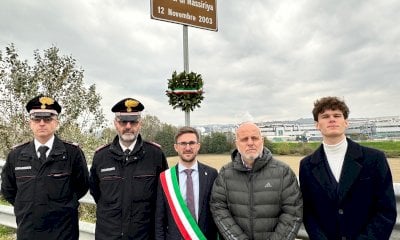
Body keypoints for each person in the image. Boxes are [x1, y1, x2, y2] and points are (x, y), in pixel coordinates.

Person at [299, 96, 397, 240]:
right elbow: (308, 212)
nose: (332, 119)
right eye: (325, 116)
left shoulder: (375, 159)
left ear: (346, 122)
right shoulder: (307, 165)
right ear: (317, 125)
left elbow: (386, 210)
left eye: (337, 115)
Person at [1, 95, 89, 240]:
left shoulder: (72, 153)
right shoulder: (16, 155)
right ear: (30, 123)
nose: (42, 123)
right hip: (29, 231)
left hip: (63, 231)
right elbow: (9, 190)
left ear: (56, 123)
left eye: (48, 119)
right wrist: (27, 207)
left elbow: (82, 186)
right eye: (37, 119)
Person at [89, 97, 168, 240]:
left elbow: (162, 196)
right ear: (115, 124)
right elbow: (96, 192)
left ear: (140, 124)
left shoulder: (155, 155)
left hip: (143, 235)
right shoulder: (101, 156)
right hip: (108, 235)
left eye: (133, 121)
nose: (128, 126)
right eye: (123, 121)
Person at [210, 121, 303, 239]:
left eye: (254, 138)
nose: (250, 143)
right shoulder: (225, 174)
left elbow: (293, 212)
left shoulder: (283, 172)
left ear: (262, 141)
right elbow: (218, 209)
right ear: (237, 143)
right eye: (244, 139)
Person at [155, 126, 219, 239]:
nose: (188, 148)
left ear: (198, 146)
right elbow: (160, 218)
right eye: (183, 143)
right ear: (176, 147)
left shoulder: (212, 174)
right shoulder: (165, 178)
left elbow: (217, 213)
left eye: (192, 143)